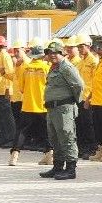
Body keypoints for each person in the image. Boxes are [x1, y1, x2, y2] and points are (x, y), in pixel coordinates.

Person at [39, 41, 86, 181]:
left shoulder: (66, 67)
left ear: (61, 53)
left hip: (64, 108)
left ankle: (71, 169)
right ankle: (58, 166)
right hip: (53, 108)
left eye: (55, 53)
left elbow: (79, 85)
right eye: (50, 53)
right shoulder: (54, 67)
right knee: (55, 138)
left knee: (67, 137)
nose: (52, 55)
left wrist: (72, 100)